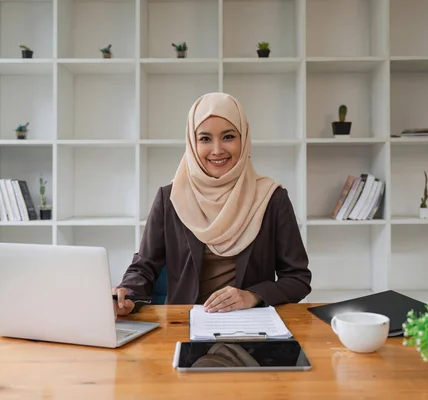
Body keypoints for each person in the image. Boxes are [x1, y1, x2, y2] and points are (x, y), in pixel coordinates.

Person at [113, 92, 311, 316]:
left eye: (228, 137)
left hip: (251, 330)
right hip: (184, 326)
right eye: (205, 139)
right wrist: (126, 294)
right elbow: (144, 267)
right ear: (191, 142)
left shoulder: (272, 198)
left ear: (244, 138)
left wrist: (253, 296)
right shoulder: (170, 199)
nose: (217, 150)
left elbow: (298, 279)